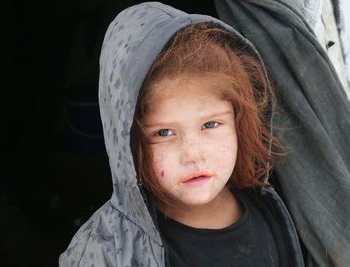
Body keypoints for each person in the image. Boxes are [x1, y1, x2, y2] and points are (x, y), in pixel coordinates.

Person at [59, 2, 304, 266]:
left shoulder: (271, 209)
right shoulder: (107, 251)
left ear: (239, 123)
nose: (192, 154)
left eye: (210, 125)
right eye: (164, 132)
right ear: (128, 145)